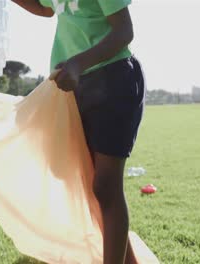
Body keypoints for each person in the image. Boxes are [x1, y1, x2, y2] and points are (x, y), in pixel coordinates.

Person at [12, 1, 145, 263]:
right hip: (76, 85)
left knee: (106, 185)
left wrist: (78, 63)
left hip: (114, 79)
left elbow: (124, 31)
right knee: (94, 185)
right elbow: (46, 8)